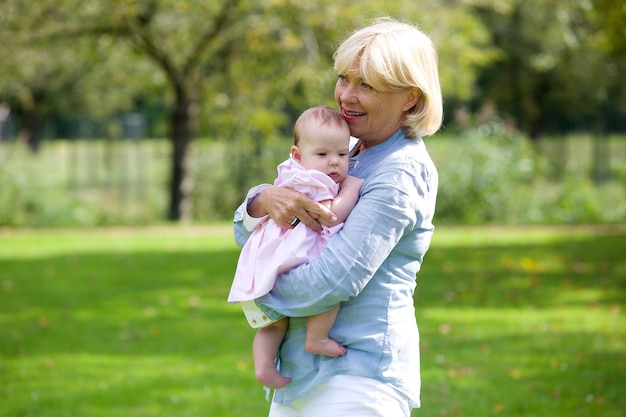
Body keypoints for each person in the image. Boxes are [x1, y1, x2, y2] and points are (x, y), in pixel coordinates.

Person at [233, 17, 443, 417]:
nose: (347, 95)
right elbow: (247, 232)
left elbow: (332, 281)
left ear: (410, 99)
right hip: (299, 376)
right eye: (345, 78)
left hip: (356, 378)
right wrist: (262, 201)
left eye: (367, 85)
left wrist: (256, 285)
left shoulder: (400, 171)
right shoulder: (341, 150)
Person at [228, 106, 363, 390]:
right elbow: (331, 215)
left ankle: (264, 366)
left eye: (341, 154)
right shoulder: (316, 181)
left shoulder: (292, 172)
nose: (335, 163)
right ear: (298, 155)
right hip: (295, 256)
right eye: (324, 155)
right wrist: (351, 189)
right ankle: (317, 338)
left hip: (270, 260)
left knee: (274, 325)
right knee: (330, 294)